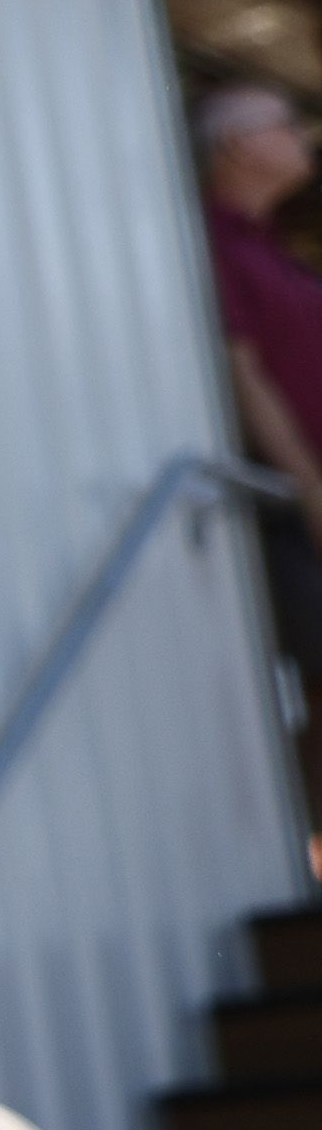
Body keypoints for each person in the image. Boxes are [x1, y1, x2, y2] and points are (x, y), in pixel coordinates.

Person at [205, 79, 322, 857]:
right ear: (241, 147)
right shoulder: (216, 242)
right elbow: (243, 374)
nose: (303, 135)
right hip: (293, 503)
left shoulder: (271, 245)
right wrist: (310, 484)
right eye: (286, 124)